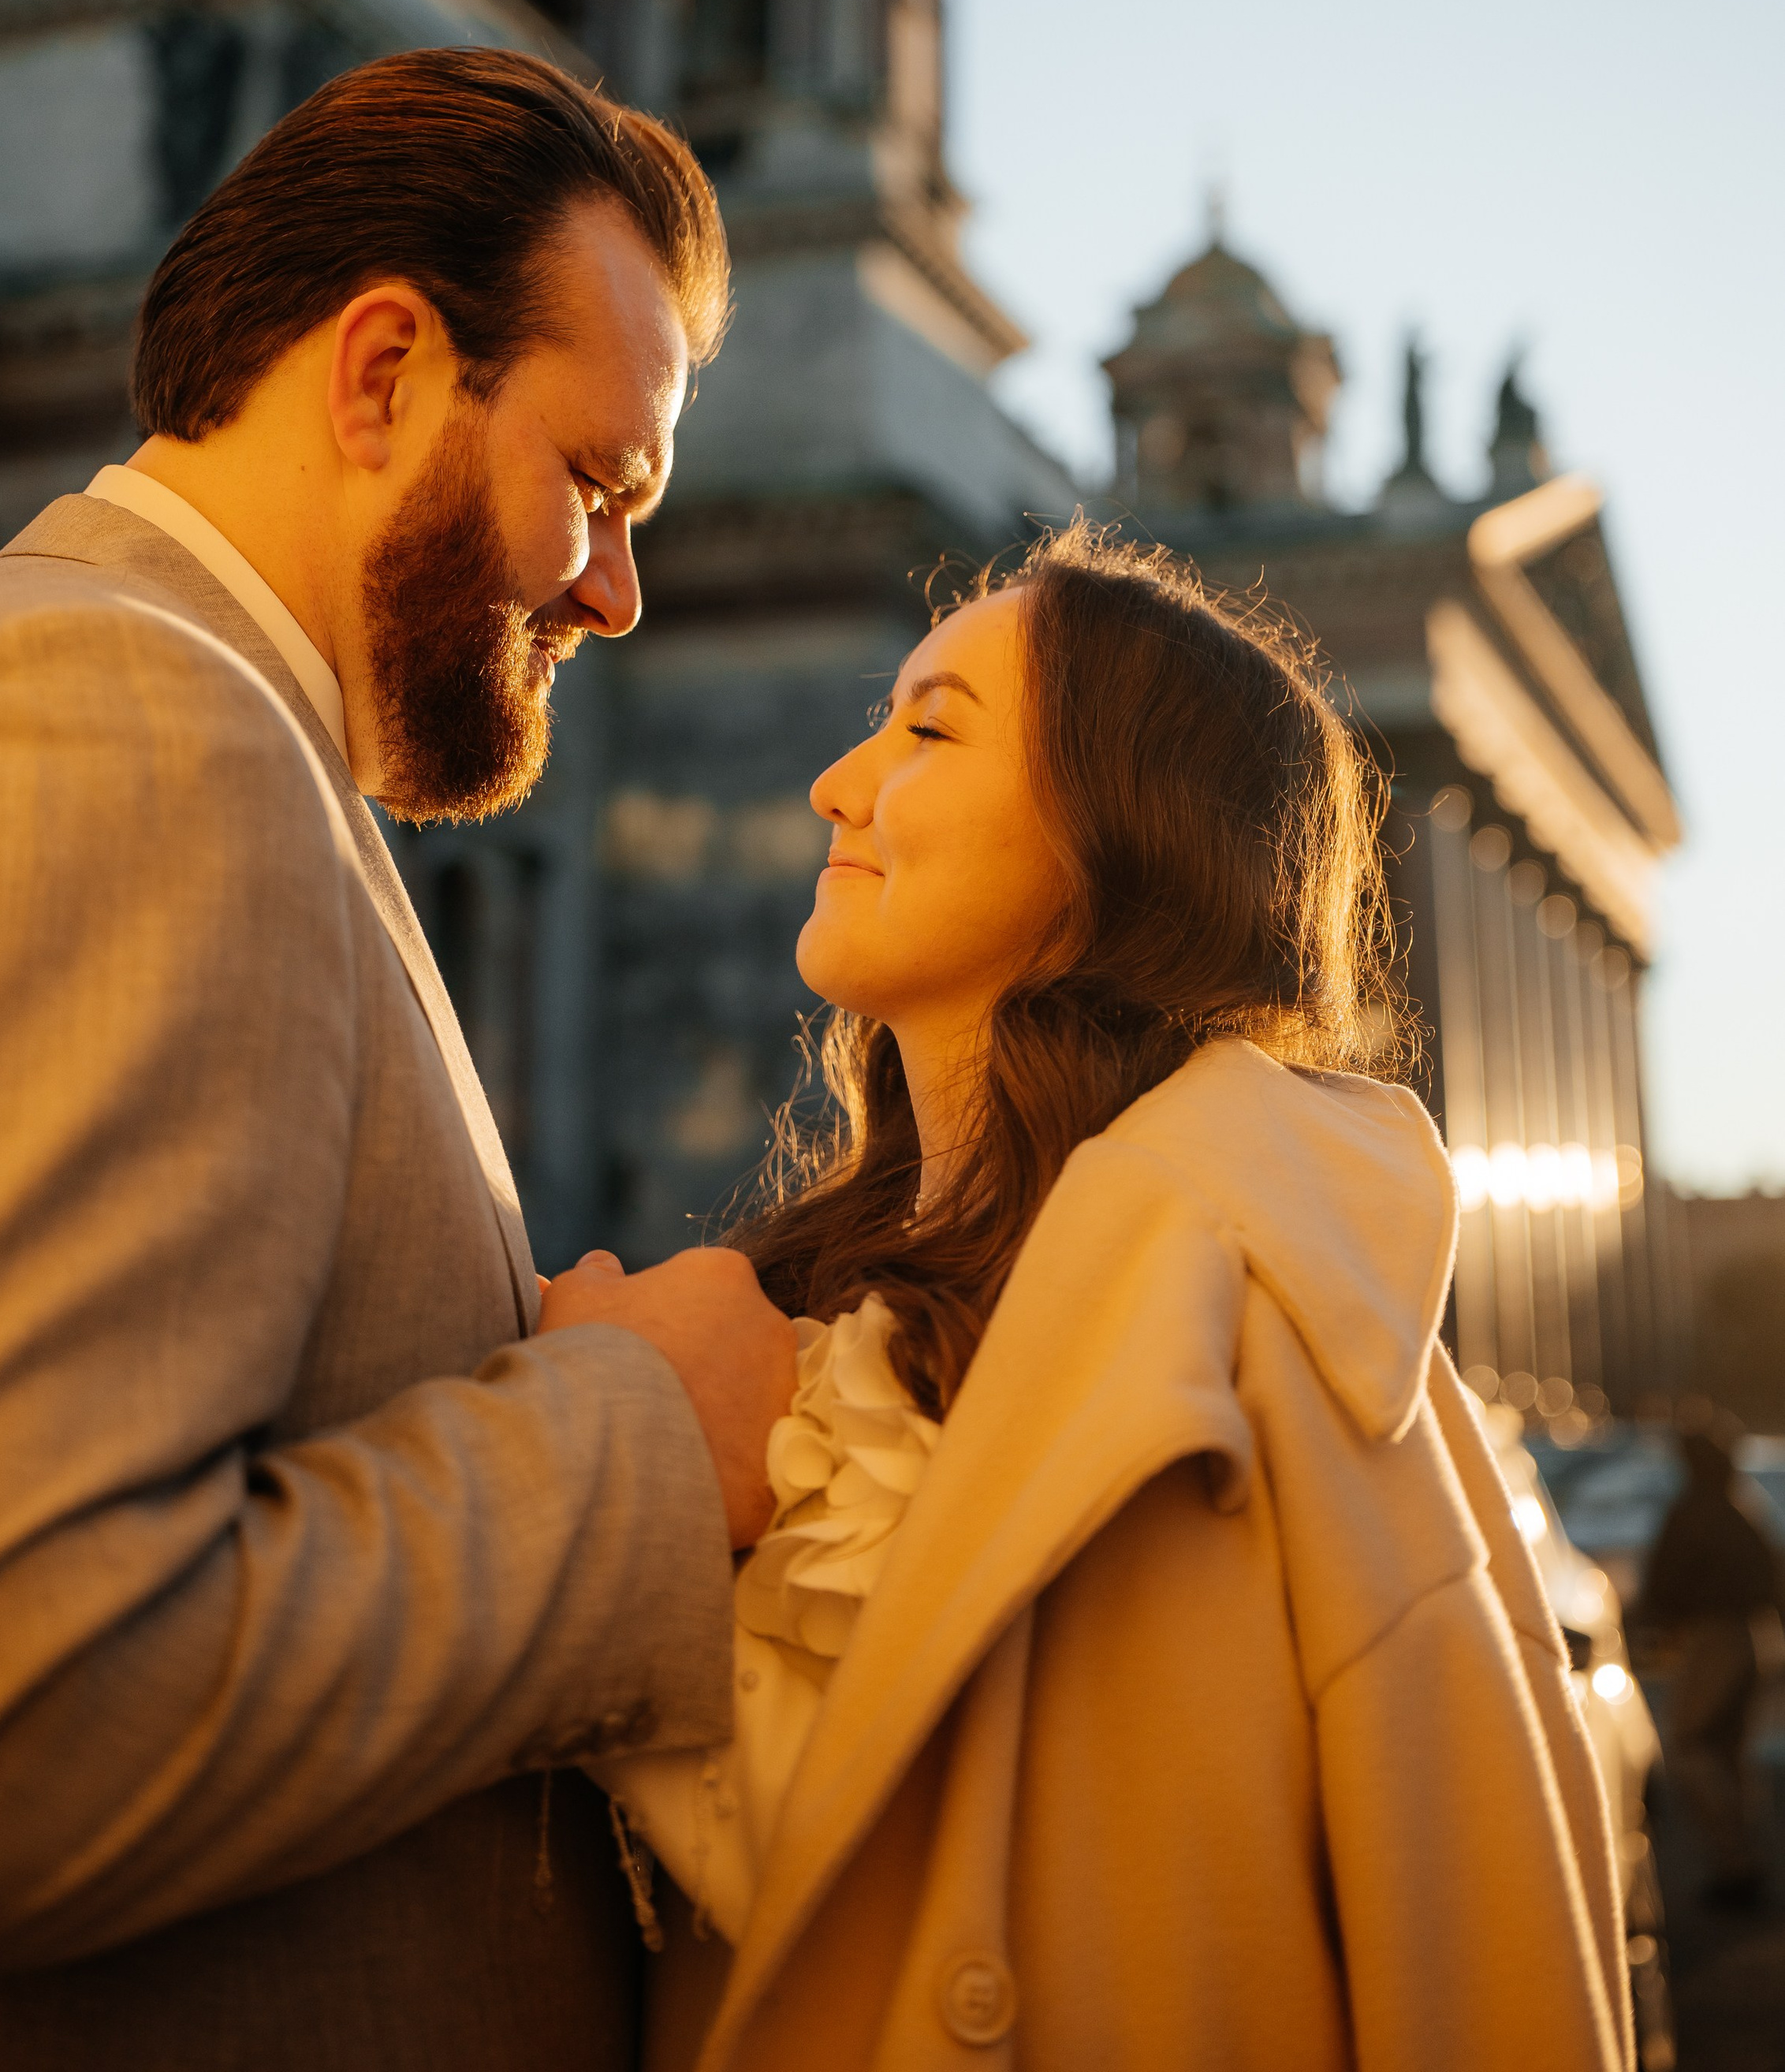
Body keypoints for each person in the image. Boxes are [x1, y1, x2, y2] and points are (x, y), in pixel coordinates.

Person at [0, 47, 798, 2071]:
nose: (617, 587)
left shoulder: (111, 704)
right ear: (384, 370)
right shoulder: (116, 716)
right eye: (595, 480)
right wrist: (635, 1445)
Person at [587, 524, 1633, 2072]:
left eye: (928, 727)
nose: (834, 782)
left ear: (1120, 833)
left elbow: (1487, 1988)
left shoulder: (1299, 1350)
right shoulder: (757, 1326)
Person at [1639, 1422, 1782, 1911]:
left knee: (1691, 1749)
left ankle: (1735, 1867)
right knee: (1728, 1754)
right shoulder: (1743, 1508)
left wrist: (1652, 1628)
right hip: (1754, 1637)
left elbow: (1663, 1584)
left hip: (1713, 1639)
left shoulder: (1693, 1512)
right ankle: (1741, 1865)